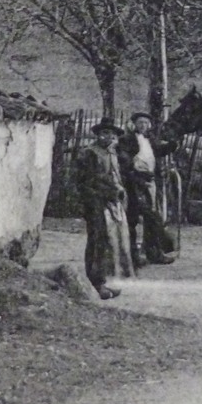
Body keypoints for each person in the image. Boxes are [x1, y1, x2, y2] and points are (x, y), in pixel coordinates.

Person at [75, 118, 133, 299]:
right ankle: (96, 282)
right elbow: (83, 182)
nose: (109, 137)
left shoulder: (113, 154)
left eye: (113, 134)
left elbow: (116, 178)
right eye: (105, 133)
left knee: (114, 242)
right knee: (98, 241)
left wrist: (120, 193)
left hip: (114, 204)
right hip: (97, 203)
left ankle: (109, 279)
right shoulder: (89, 153)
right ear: (98, 135)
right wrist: (96, 198)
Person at [117, 111, 178, 267]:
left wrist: (173, 143)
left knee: (152, 218)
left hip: (149, 182)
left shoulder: (150, 140)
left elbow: (160, 150)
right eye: (140, 123)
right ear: (134, 124)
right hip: (134, 183)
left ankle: (154, 253)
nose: (143, 126)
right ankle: (132, 257)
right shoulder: (127, 140)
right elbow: (124, 161)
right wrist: (134, 175)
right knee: (134, 219)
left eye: (145, 123)